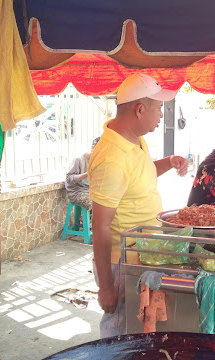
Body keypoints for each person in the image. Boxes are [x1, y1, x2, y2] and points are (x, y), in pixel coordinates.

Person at [88, 73, 188, 338]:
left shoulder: (133, 138)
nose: (161, 116)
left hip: (142, 255)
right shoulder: (112, 158)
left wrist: (169, 161)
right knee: (118, 329)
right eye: (159, 109)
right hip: (121, 264)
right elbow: (100, 225)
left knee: (136, 326)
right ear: (140, 109)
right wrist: (106, 287)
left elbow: (139, 177)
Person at [65, 136, 101, 212]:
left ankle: (89, 220)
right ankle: (92, 221)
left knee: (108, 202)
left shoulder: (99, 161)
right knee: (96, 205)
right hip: (77, 192)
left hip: (90, 191)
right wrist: (87, 173)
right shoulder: (78, 159)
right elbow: (69, 179)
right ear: (93, 147)